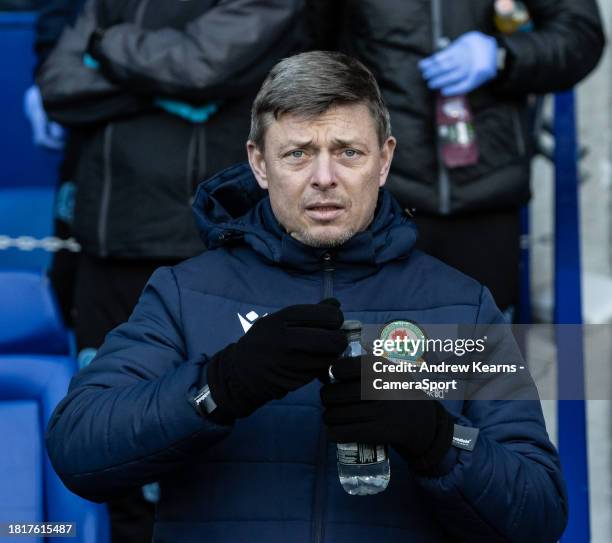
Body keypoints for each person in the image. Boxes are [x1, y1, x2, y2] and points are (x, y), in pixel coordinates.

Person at [46, 51, 567, 542]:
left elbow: (539, 513)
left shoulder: (462, 306)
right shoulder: (186, 292)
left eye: (348, 152)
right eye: (297, 153)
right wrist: (216, 387)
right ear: (259, 163)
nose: (324, 178)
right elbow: (79, 449)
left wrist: (437, 440)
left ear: (384, 161)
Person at [37, 1, 307, 540]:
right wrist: (161, 86)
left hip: (201, 250)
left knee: (212, 448)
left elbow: (200, 66)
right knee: (117, 452)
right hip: (106, 249)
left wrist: (104, 51)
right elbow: (58, 86)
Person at [310, 0, 605, 317]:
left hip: (486, 195)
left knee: (478, 353)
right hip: (380, 202)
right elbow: (309, 50)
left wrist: (503, 55)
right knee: (383, 357)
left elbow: (580, 34)